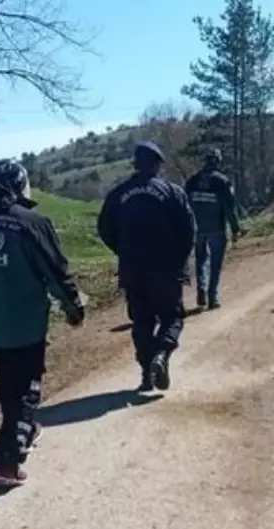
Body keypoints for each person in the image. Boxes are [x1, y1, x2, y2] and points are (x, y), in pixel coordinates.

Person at [0, 159, 85, 488]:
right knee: (27, 389)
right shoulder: (32, 223)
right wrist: (73, 306)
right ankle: (7, 461)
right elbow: (55, 270)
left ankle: (24, 429)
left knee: (8, 382)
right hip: (27, 321)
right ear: (20, 184)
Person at [97, 141, 196, 392]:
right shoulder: (173, 193)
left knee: (141, 321)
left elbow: (104, 230)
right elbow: (188, 231)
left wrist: (123, 252)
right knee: (172, 317)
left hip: (133, 270)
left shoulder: (118, 195)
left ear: (135, 164)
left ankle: (145, 374)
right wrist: (179, 260)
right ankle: (162, 354)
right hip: (167, 270)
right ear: (157, 165)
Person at [185, 148, 243, 310]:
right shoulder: (222, 181)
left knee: (201, 261)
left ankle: (201, 290)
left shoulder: (192, 181)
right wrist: (235, 229)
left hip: (197, 230)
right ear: (218, 161)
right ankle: (212, 297)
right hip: (216, 229)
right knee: (215, 263)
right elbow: (229, 208)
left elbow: (184, 205)